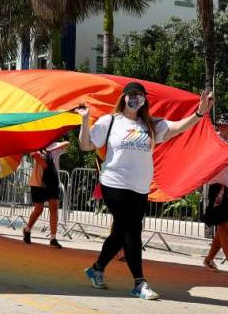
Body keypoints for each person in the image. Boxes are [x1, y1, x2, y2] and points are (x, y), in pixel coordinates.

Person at [77, 82, 212, 300]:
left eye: (140, 95)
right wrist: (84, 120)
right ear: (124, 97)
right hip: (114, 183)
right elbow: (85, 145)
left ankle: (97, 268)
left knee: (120, 232)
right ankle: (139, 283)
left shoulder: (151, 124)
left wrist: (199, 113)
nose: (136, 98)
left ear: (145, 99)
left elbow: (178, 128)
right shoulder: (110, 121)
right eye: (132, 94)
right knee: (132, 229)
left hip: (139, 187)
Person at [24, 140, 69, 248]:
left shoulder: (54, 146)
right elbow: (43, 164)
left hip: (53, 183)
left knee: (54, 208)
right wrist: (42, 150)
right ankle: (27, 229)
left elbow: (67, 143)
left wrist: (49, 149)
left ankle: (53, 238)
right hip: (38, 183)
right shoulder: (35, 146)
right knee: (39, 209)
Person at [203, 114, 228, 271]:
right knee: (225, 225)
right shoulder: (213, 140)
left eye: (225, 124)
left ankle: (209, 259)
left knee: (222, 227)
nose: (223, 126)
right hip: (218, 187)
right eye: (220, 123)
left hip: (227, 187)